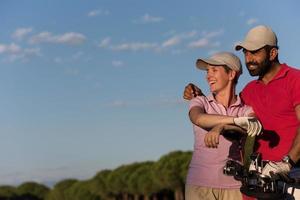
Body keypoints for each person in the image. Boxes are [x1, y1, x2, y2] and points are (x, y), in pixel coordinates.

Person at [184, 25, 300, 198]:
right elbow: (233, 115)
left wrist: (287, 162)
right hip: (256, 182)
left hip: (291, 177)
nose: (248, 59)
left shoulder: (295, 79)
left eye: (254, 53)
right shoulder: (249, 90)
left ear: (272, 53)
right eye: (246, 53)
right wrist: (200, 96)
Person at [185, 51, 262, 200]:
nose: (208, 76)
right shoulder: (200, 102)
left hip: (235, 188)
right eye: (207, 71)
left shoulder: (246, 110)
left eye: (214, 70)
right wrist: (233, 120)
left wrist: (221, 127)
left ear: (231, 74)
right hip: (199, 187)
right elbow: (199, 118)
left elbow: (248, 127)